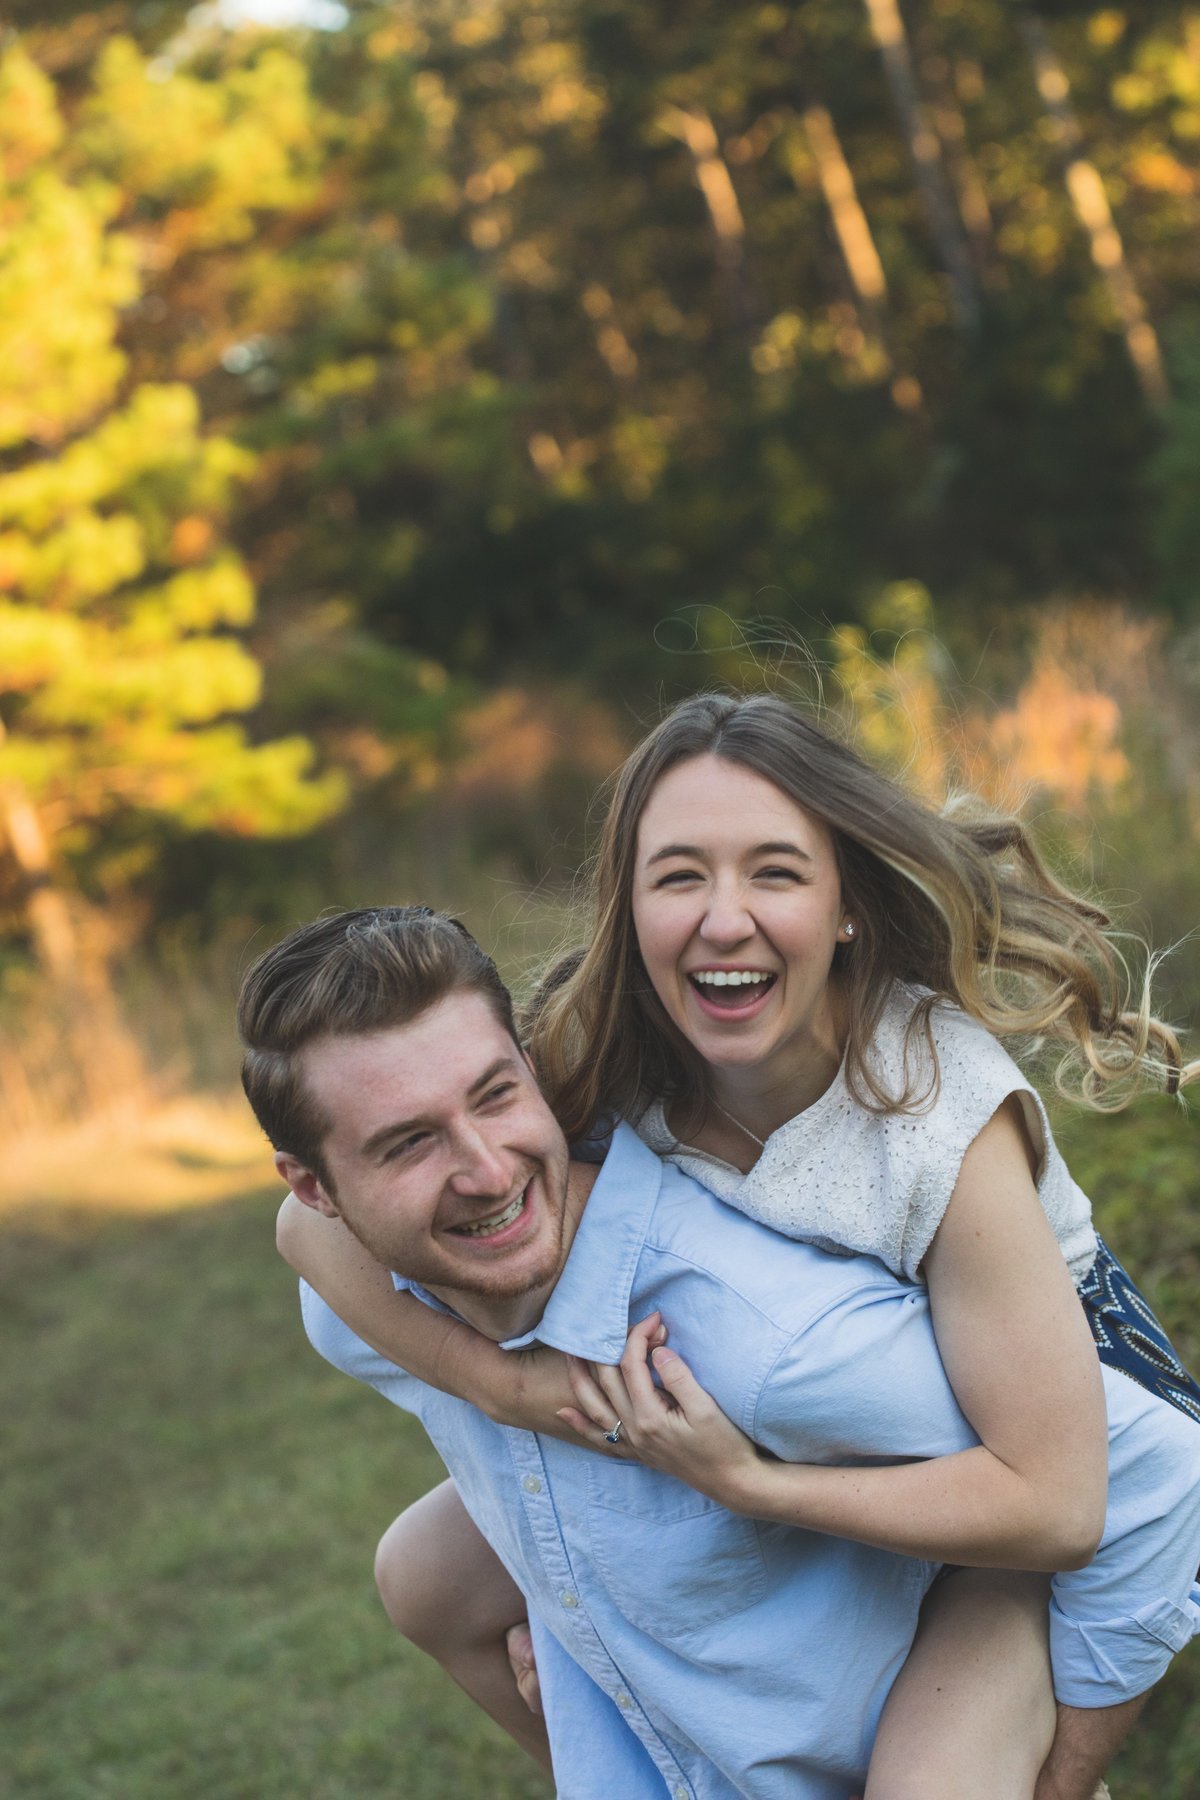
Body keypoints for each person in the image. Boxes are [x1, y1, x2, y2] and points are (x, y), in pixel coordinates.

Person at [277, 695, 1200, 1800]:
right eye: (679, 877)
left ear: (847, 906)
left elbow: (1063, 1502)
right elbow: (303, 1228)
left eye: (775, 872)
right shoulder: (602, 1051)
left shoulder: (935, 1112)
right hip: (853, 1416)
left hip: (1052, 1439)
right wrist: (512, 1389)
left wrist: (754, 1488)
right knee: (429, 1578)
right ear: (630, 910)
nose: (724, 920)